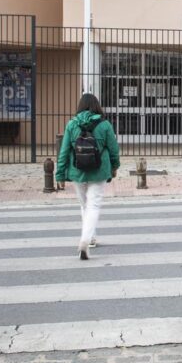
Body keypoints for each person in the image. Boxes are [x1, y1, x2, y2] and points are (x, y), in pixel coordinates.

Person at [55, 93, 120, 260]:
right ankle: (85, 240)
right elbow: (113, 149)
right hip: (99, 171)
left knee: (85, 205)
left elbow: (64, 152)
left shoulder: (72, 124)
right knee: (94, 206)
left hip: (78, 172)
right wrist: (115, 166)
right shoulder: (104, 125)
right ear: (96, 106)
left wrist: (60, 174)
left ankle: (90, 237)